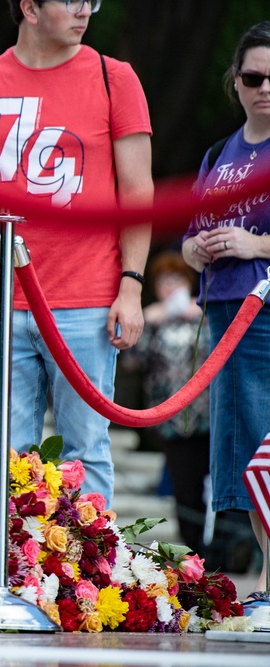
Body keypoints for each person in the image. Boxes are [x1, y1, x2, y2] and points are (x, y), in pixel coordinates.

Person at [0, 0, 153, 505]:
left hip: (87, 297)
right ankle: (15, 569)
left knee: (86, 451)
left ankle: (93, 577)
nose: (87, 11)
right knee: (8, 453)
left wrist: (132, 285)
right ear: (29, 8)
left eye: (93, 1)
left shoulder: (114, 77)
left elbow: (138, 191)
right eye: (72, 0)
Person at [182, 20, 270, 595]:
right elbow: (187, 240)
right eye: (254, 76)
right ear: (235, 83)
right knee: (242, 447)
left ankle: (268, 578)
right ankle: (266, 575)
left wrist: (255, 244)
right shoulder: (219, 152)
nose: (265, 87)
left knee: (265, 442)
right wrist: (199, 248)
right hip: (223, 316)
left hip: (264, 313)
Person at [124, 251, 210, 554]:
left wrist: (201, 316)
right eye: (163, 282)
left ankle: (228, 549)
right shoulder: (153, 318)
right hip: (171, 418)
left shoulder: (205, 314)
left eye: (176, 280)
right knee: (185, 488)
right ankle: (195, 550)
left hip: (209, 416)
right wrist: (146, 322)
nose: (170, 287)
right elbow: (132, 362)